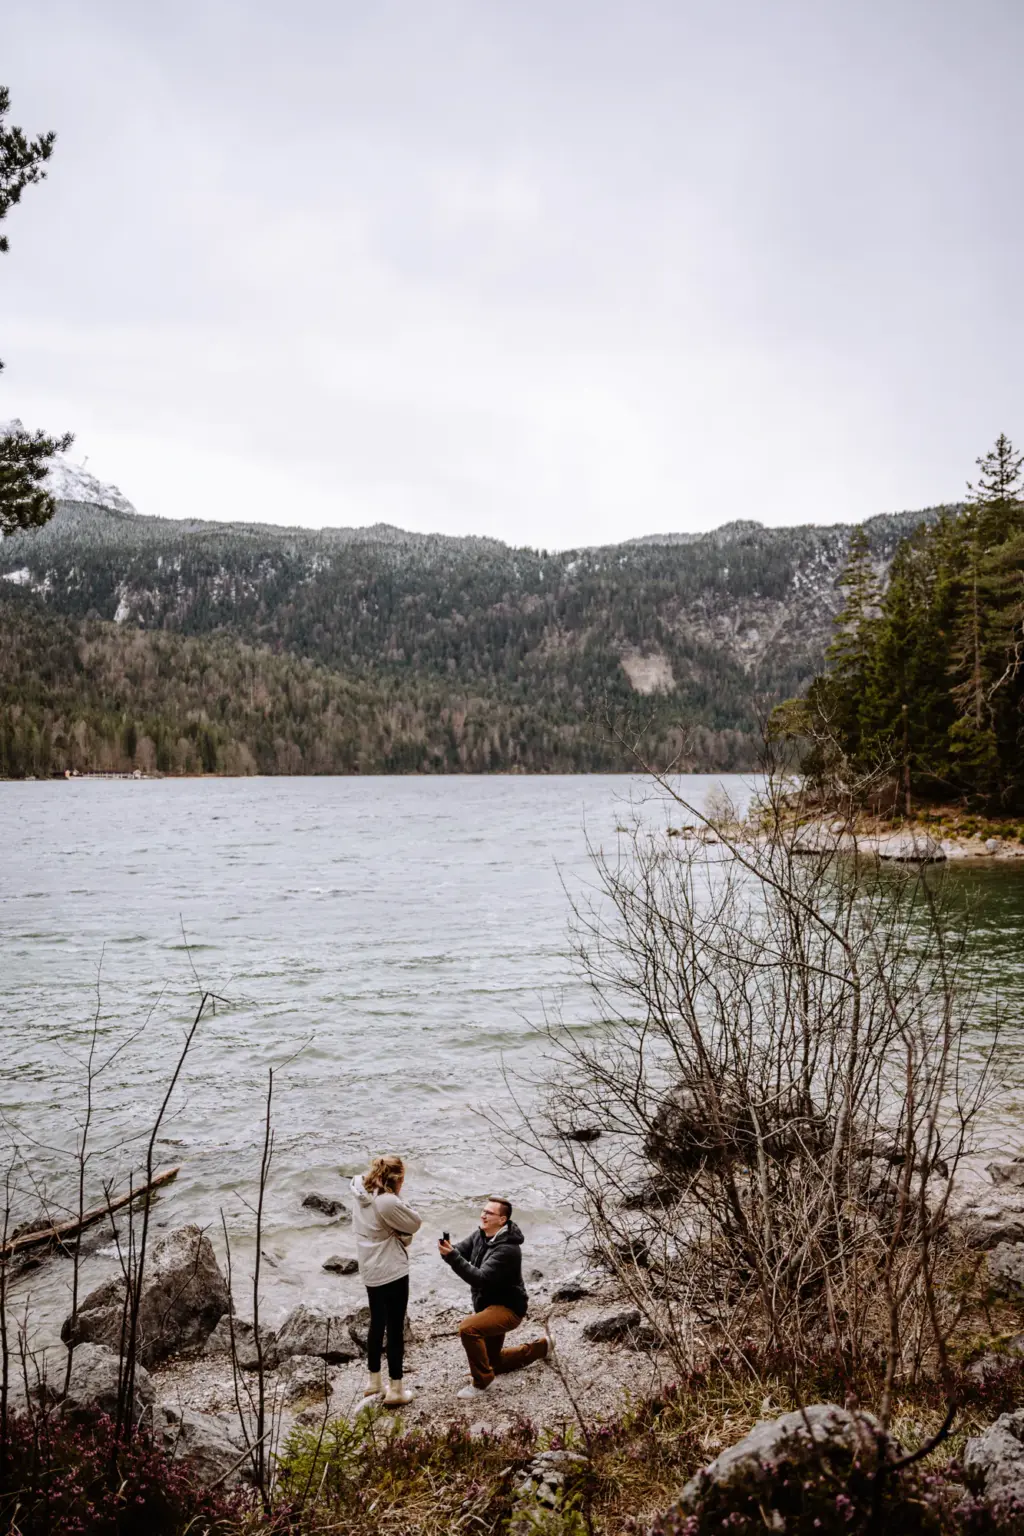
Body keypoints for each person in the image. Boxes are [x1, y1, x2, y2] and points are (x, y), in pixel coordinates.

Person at [439, 1195, 549, 1399]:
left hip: (508, 1309)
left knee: (468, 1329)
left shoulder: (508, 1250)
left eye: (489, 1213)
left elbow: (480, 1279)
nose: (483, 1215)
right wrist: (448, 1251)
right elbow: (459, 1253)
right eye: (483, 1211)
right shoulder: (480, 1235)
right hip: (487, 1307)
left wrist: (453, 1257)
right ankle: (543, 1347)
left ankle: (482, 1383)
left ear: (502, 1219)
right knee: (493, 1362)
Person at [350, 1155, 422, 1405]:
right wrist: (398, 1196)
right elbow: (414, 1223)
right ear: (397, 1178)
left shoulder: (360, 1192)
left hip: (369, 1268)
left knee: (377, 1323)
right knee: (395, 1328)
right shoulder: (388, 1201)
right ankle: (396, 1390)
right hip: (392, 1269)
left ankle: (374, 1381)